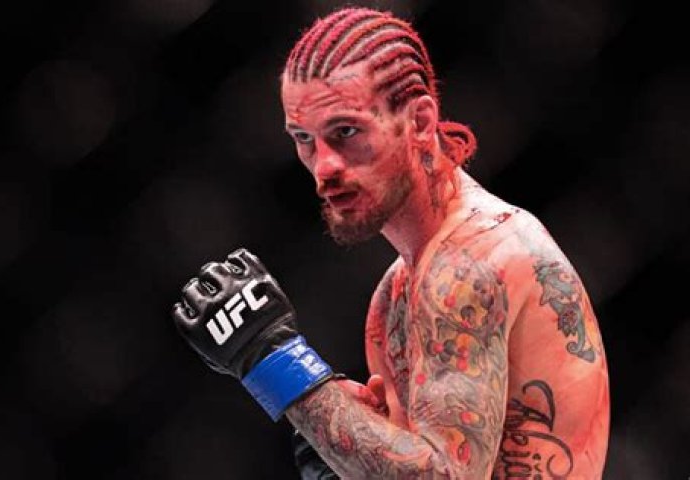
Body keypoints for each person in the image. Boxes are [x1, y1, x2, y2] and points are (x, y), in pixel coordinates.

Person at [172, 7, 610, 479]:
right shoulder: (393, 295)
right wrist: (350, 451)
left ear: (419, 121)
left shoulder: (473, 260)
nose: (324, 166)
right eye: (304, 139)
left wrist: (278, 363)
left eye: (345, 131)